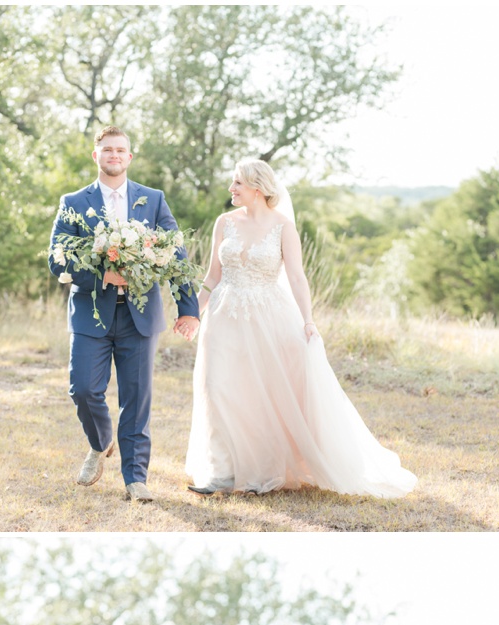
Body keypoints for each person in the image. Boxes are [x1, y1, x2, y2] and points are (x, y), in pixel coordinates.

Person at [185, 158, 417, 498]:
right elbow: (212, 276)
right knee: (217, 387)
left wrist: (308, 320)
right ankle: (221, 472)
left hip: (268, 316)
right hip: (223, 315)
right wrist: (192, 313)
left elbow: (296, 276)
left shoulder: (283, 227)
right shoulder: (224, 222)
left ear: (258, 188)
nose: (231, 189)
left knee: (259, 393)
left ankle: (263, 471)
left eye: (237, 183)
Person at [49, 126, 200, 502]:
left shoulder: (153, 200)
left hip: (140, 315)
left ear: (129, 157)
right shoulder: (73, 201)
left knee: (136, 399)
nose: (114, 155)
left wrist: (189, 309)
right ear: (95, 155)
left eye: (121, 150)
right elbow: (58, 259)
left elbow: (176, 256)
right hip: (90, 314)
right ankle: (100, 443)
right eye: (107, 150)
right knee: (82, 388)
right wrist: (103, 273)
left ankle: (135, 480)